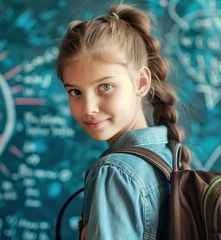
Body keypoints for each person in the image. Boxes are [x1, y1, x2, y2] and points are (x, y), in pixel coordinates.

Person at [56, 3, 190, 239]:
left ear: (141, 82)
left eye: (105, 87)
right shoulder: (170, 153)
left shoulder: (115, 172)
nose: (89, 108)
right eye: (75, 92)